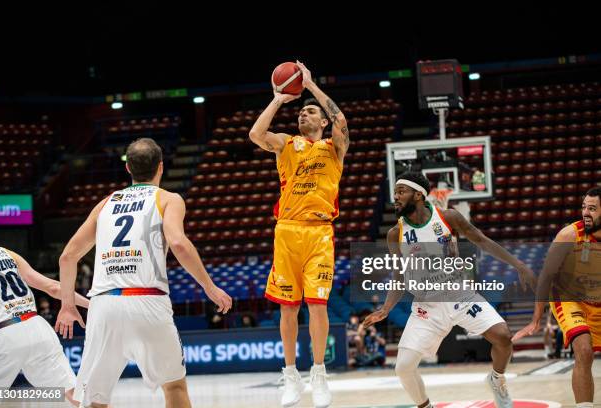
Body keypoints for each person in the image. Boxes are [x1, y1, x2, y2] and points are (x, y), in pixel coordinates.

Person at [55, 138, 232, 408]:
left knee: (95, 399)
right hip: (147, 300)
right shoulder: (168, 199)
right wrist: (209, 287)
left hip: (103, 306)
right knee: (174, 387)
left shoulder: (105, 203)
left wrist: (67, 305)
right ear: (161, 167)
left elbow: (68, 256)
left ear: (128, 169)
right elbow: (179, 244)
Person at [363, 171, 536, 408]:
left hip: (460, 295)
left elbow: (482, 240)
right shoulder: (396, 234)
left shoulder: (448, 217)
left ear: (419, 195)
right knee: (403, 368)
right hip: (427, 306)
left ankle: (497, 379)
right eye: (395, 192)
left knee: (503, 336)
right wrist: (385, 308)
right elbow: (399, 276)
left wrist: (519, 264)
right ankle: (425, 406)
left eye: (401, 192)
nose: (396, 197)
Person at [249, 61, 349, 408]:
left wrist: (311, 86)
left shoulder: (333, 148)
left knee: (317, 305)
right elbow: (255, 135)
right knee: (288, 309)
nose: (302, 115)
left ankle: (318, 373)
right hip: (287, 233)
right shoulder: (285, 144)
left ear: (321, 122)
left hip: (320, 233)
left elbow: (341, 121)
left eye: (310, 112)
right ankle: (291, 374)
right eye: (301, 112)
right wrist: (278, 99)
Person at [513, 187, 601, 408]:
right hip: (569, 299)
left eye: (592, 209)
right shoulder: (569, 235)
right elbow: (546, 276)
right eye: (583, 207)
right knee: (583, 350)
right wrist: (536, 318)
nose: (585, 213)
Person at [0, 245, 88, 406]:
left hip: (3, 332)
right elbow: (54, 287)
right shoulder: (6, 253)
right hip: (37, 327)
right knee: (75, 393)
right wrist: (92, 305)